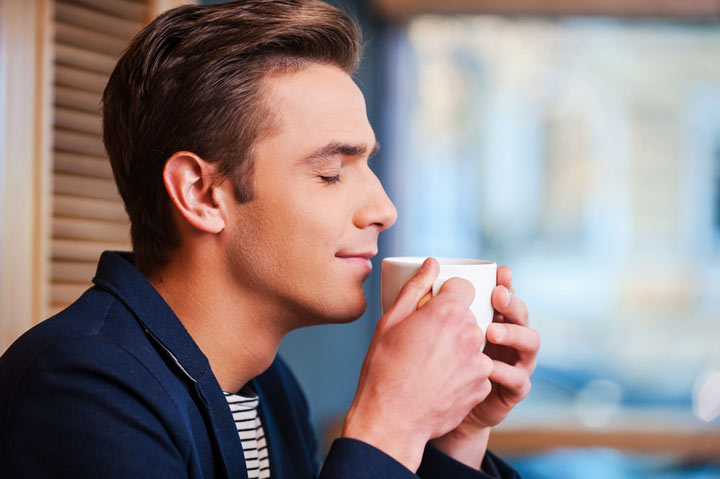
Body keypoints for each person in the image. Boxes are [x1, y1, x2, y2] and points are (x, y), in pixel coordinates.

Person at [0, 1, 540, 477]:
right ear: (202, 193)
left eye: (367, 165)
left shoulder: (269, 388)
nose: (384, 209)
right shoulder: (81, 389)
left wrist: (454, 433)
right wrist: (387, 426)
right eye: (331, 172)